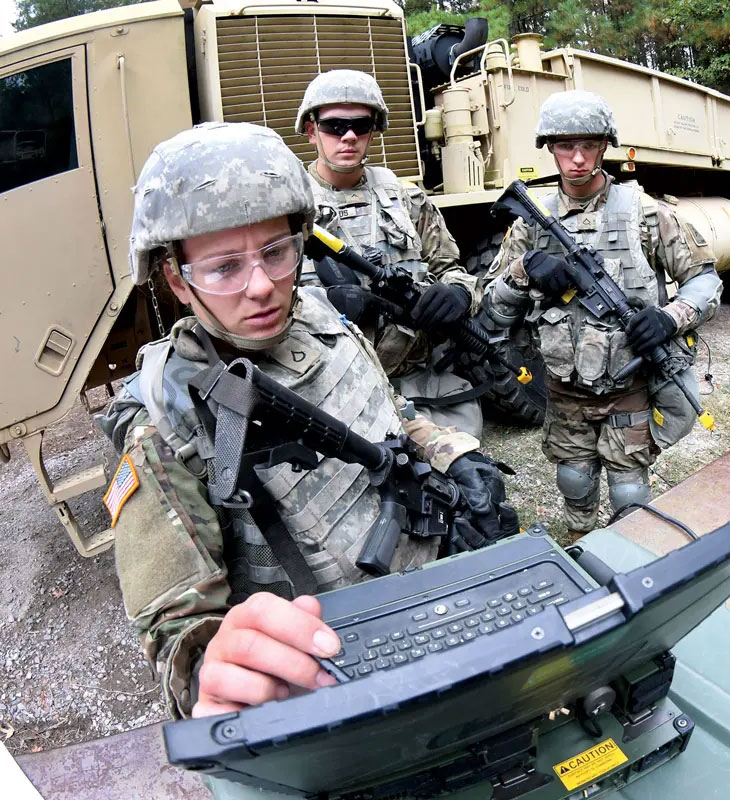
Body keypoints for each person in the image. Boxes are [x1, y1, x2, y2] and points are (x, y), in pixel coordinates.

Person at [96, 122, 516, 721]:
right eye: (223, 269)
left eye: (276, 252)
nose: (262, 286)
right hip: (332, 666)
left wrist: (456, 455)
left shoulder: (323, 319)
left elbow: (389, 416)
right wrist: (215, 673)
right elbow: (180, 639)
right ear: (175, 280)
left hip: (433, 603)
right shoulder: (167, 421)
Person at [483, 90, 721, 539]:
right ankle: (578, 544)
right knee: (574, 478)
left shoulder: (644, 213)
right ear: (549, 148)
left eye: (588, 146)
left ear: (604, 146)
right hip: (563, 388)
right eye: (565, 146)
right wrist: (525, 269)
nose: (577, 159)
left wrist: (671, 318)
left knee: (629, 487)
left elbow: (705, 280)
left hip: (627, 386)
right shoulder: (530, 222)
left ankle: (628, 554)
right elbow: (491, 307)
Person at [295, 69, 485, 437]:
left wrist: (458, 293)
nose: (348, 136)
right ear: (311, 131)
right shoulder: (287, 210)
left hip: (421, 387)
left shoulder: (405, 199)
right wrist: (325, 304)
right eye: (334, 126)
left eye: (360, 126)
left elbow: (451, 268)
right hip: (328, 393)